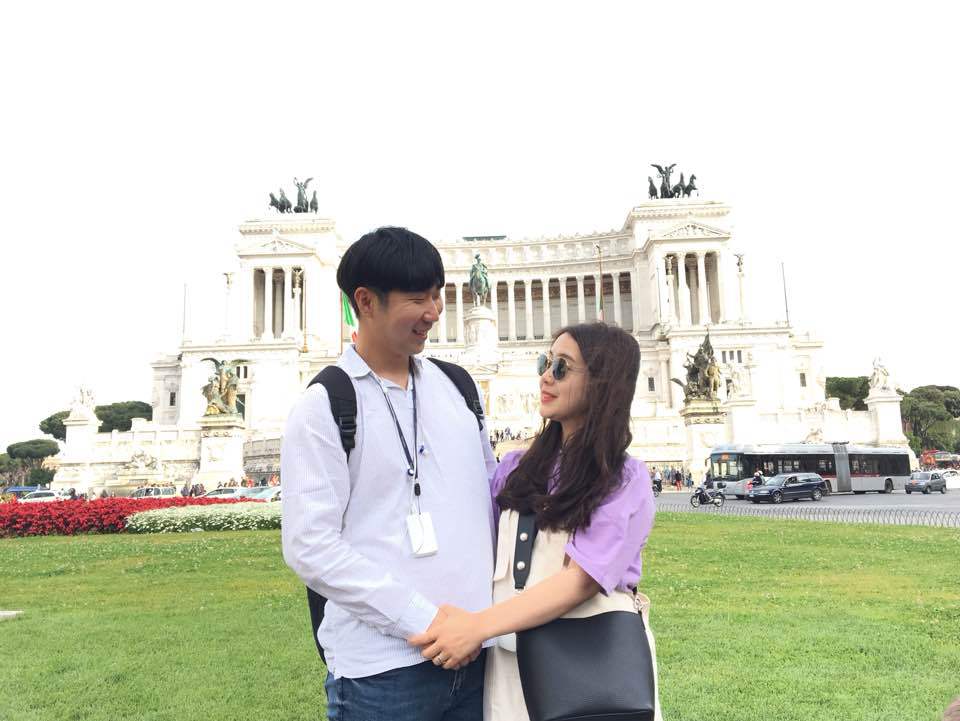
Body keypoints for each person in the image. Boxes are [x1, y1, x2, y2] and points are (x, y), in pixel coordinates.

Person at [281, 227, 496, 721]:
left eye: (437, 295)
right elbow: (310, 545)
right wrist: (425, 620)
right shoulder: (325, 406)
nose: (434, 311)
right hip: (382, 674)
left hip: (479, 655)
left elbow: (491, 498)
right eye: (418, 298)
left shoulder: (458, 387)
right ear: (366, 301)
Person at [409, 322, 657, 720]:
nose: (545, 376)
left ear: (602, 381)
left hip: (590, 667)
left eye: (562, 367)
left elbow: (580, 581)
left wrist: (476, 627)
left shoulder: (624, 479)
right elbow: (479, 547)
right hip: (512, 661)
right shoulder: (514, 467)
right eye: (546, 362)